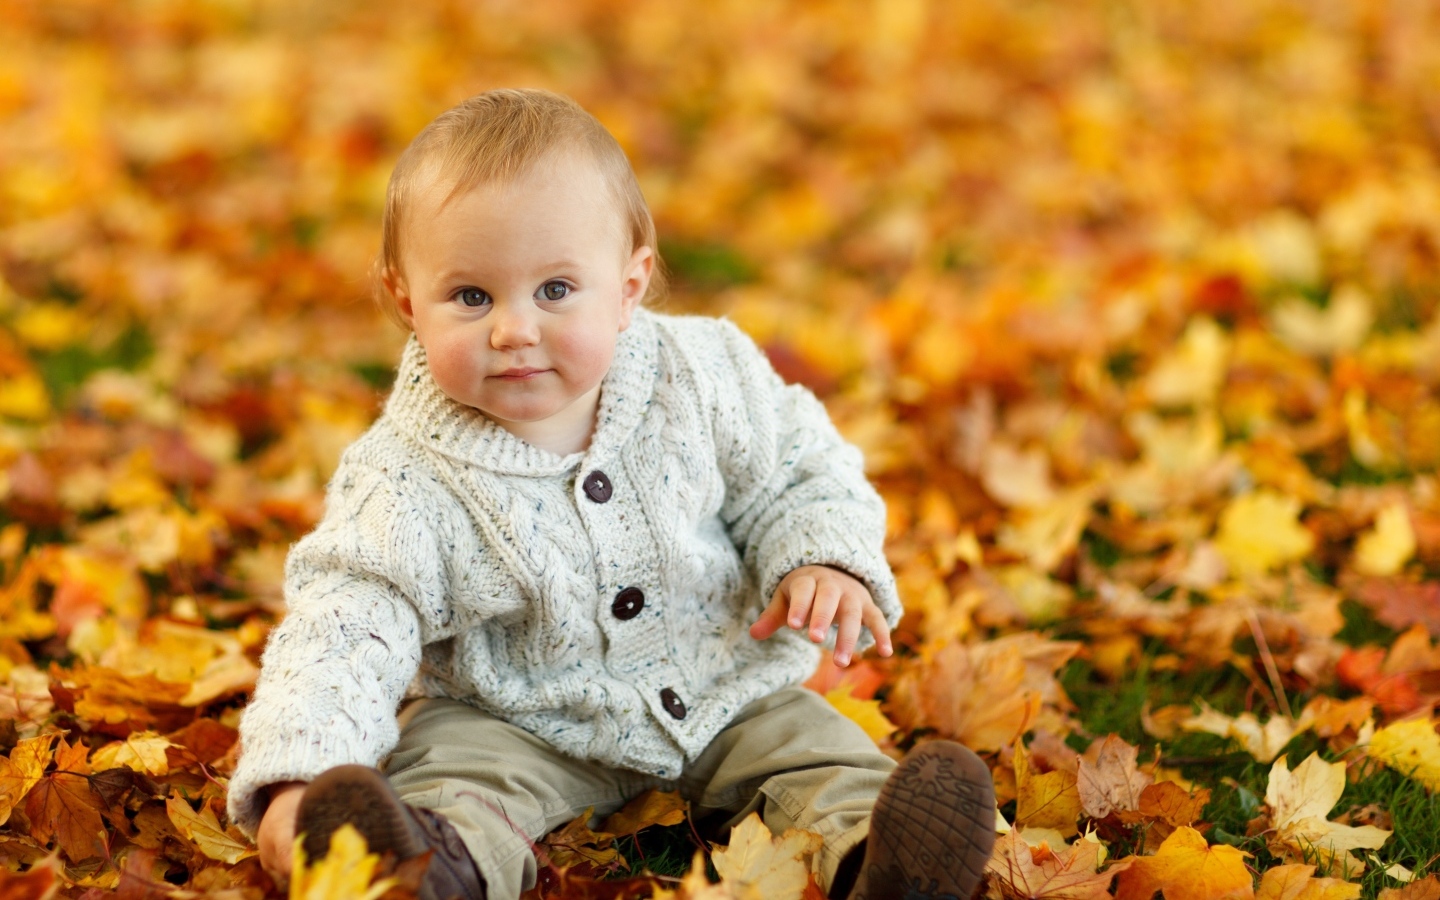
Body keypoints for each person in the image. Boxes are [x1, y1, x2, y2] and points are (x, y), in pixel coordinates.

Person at [226, 88, 995, 900]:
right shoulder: (403, 476)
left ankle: (881, 860)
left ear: (629, 286)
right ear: (406, 300)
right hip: (513, 718)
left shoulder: (703, 374)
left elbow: (798, 467)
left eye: (555, 290)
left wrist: (821, 557)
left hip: (720, 688)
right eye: (472, 297)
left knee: (814, 755)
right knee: (453, 779)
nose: (514, 330)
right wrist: (297, 776)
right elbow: (346, 624)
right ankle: (420, 869)